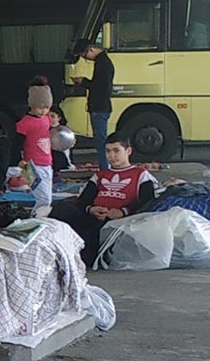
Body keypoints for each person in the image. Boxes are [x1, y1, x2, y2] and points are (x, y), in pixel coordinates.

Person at [50, 135, 158, 266]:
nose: (112, 156)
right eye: (108, 151)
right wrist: (91, 209)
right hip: (94, 216)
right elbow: (83, 201)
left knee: (92, 232)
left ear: (128, 151)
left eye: (116, 150)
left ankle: (83, 259)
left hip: (120, 222)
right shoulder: (100, 176)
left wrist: (123, 211)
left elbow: (149, 202)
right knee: (61, 209)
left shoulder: (141, 175)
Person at [71, 38, 117, 167]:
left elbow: (100, 87)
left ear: (91, 49)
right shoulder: (102, 62)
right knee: (100, 140)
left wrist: (83, 81)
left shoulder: (103, 64)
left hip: (99, 107)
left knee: (101, 141)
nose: (86, 59)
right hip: (100, 107)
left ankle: (105, 168)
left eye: (85, 55)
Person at [15, 79, 56, 215]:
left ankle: (38, 219)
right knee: (44, 199)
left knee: (46, 198)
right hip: (31, 166)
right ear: (32, 105)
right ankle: (37, 220)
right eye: (40, 107)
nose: (43, 111)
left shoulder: (46, 119)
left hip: (47, 164)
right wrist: (19, 160)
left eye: (46, 107)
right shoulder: (25, 123)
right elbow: (16, 143)